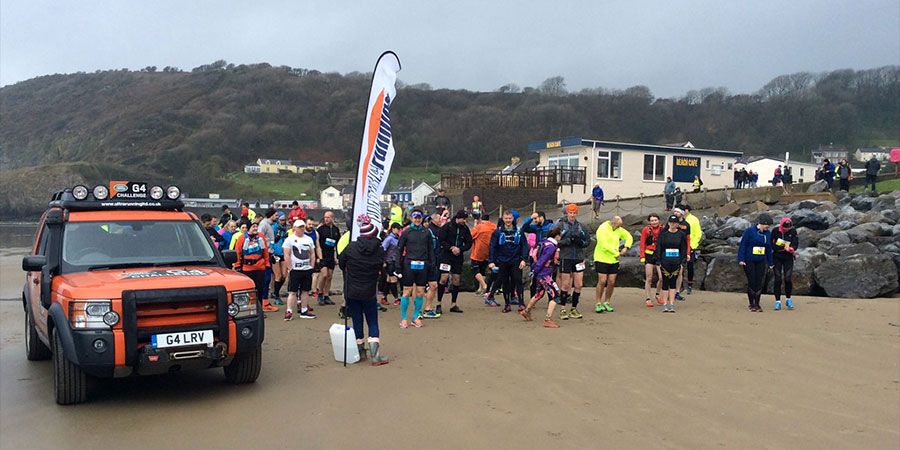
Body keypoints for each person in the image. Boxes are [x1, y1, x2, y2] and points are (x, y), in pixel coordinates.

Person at [339, 216, 388, 365]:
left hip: (352, 289)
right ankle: (376, 355)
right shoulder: (379, 251)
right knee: (372, 321)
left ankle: (361, 352)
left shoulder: (351, 247)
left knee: (357, 320)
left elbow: (341, 263)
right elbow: (381, 267)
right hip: (369, 290)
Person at [394, 209, 433, 328]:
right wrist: (397, 266)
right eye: (415, 217)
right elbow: (399, 249)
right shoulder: (406, 232)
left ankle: (415, 317)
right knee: (407, 292)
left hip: (422, 264)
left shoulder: (426, 232)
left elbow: (431, 249)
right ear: (411, 218)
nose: (417, 220)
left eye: (419, 218)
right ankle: (403, 318)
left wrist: (432, 265)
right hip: (409, 264)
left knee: (421, 292)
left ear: (421, 219)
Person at [553, 203, 589, 320]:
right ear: (567, 213)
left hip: (578, 257)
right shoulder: (560, 224)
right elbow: (554, 240)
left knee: (579, 284)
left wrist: (581, 243)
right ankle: (563, 308)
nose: (572, 215)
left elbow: (587, 241)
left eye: (574, 213)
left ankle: (574, 308)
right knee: (566, 284)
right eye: (570, 213)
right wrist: (567, 241)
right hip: (566, 257)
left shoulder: (581, 226)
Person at [521, 227, 563, 328]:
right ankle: (548, 319)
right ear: (557, 236)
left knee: (539, 294)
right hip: (544, 274)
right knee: (555, 295)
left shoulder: (543, 242)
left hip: (540, 273)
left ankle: (527, 311)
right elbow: (543, 260)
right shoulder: (551, 247)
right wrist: (535, 270)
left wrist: (534, 270)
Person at [489, 211, 529, 313]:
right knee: (505, 282)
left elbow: (524, 245)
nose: (508, 221)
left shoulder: (519, 231)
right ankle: (507, 304)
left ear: (513, 219)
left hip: (516, 260)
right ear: (503, 219)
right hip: (502, 261)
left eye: (509, 218)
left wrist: (524, 259)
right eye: (506, 218)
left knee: (517, 280)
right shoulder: (497, 232)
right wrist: (491, 261)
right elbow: (492, 247)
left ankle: (521, 302)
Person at [593, 216, 633, 313]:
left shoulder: (618, 229)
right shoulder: (602, 229)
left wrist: (626, 247)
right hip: (601, 258)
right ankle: (598, 302)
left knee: (611, 281)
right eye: (618, 226)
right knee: (602, 281)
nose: (619, 228)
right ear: (613, 223)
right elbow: (604, 245)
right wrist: (617, 253)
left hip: (613, 260)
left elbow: (628, 236)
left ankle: (607, 301)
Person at [234, 222, 276, 313]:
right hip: (247, 268)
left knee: (260, 289)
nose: (255, 228)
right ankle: (250, 309)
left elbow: (265, 251)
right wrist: (237, 265)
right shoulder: (242, 238)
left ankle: (259, 309)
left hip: (260, 267)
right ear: (249, 228)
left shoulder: (261, 237)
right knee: (249, 290)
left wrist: (267, 263)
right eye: (253, 226)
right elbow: (238, 252)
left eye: (256, 226)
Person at [738, 213, 775, 312]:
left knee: (759, 282)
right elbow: (743, 245)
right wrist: (741, 259)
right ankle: (751, 303)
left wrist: (771, 262)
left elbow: (768, 248)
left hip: (761, 260)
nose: (768, 227)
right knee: (752, 281)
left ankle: (757, 303)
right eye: (767, 225)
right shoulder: (749, 231)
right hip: (749, 260)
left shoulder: (767, 233)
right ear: (762, 223)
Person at [437, 210, 472, 314]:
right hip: (446, 256)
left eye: (466, 219)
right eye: (463, 219)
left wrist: (460, 249)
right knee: (444, 278)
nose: (465, 221)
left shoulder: (465, 229)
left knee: (456, 280)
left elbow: (469, 242)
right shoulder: (447, 226)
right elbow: (441, 240)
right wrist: (451, 248)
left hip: (458, 257)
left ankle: (454, 304)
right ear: (458, 218)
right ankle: (438, 303)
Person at [282, 220, 317, 320]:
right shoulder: (289, 239)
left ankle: (304, 310)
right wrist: (290, 268)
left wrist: (311, 266)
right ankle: (289, 311)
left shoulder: (309, 239)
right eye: (299, 227)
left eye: (302, 226)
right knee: (293, 291)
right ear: (294, 228)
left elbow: (312, 254)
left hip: (306, 269)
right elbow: (286, 255)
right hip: (295, 269)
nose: (301, 228)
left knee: (305, 291)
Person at [657, 215, 689, 313]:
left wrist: (683, 262)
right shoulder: (663, 234)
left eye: (675, 223)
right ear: (668, 223)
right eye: (671, 222)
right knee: (665, 282)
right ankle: (665, 304)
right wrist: (658, 261)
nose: (673, 224)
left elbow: (683, 249)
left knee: (673, 283)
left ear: (677, 224)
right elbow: (659, 247)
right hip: (665, 260)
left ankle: (671, 304)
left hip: (676, 261)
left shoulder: (681, 234)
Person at [521, 211, 553, 299]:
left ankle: (551, 299)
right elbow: (524, 228)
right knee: (534, 277)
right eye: (533, 219)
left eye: (536, 218)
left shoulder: (551, 226)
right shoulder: (536, 227)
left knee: (548, 278)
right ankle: (533, 297)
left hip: (548, 255)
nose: (534, 220)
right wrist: (530, 219)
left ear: (542, 217)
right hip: (537, 254)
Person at [771, 217, 798, 311]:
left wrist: (791, 248)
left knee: (788, 278)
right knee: (778, 278)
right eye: (785, 228)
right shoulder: (775, 231)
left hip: (788, 257)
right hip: (777, 257)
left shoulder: (793, 231)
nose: (787, 230)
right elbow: (772, 244)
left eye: (788, 228)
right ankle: (777, 301)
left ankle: (788, 299)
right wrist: (783, 246)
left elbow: (795, 244)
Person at [316, 211, 341, 306]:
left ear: (332, 218)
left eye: (328, 217)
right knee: (324, 275)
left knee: (330, 276)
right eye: (325, 217)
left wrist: (337, 257)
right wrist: (318, 257)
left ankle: (326, 295)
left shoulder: (335, 229)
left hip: (331, 255)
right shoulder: (320, 230)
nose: (326, 219)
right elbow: (316, 244)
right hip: (322, 255)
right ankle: (320, 293)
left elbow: (338, 244)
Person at [422, 213, 444, 317]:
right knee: (418, 288)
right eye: (425, 222)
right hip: (422, 262)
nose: (427, 223)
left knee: (434, 285)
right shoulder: (425, 232)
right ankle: (417, 312)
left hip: (433, 261)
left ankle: (428, 309)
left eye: (428, 221)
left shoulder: (435, 231)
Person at [470, 212, 497, 298]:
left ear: (481, 219)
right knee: (483, 270)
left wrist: (475, 225)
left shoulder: (479, 227)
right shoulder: (494, 227)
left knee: (475, 270)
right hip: (489, 252)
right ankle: (480, 289)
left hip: (478, 252)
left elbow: (471, 235)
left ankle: (484, 286)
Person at [639, 213, 664, 307]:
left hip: (659, 255)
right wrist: (642, 257)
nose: (654, 222)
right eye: (652, 220)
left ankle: (657, 294)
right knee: (649, 278)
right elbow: (642, 243)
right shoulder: (646, 230)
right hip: (649, 254)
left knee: (661, 278)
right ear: (649, 222)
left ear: (659, 220)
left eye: (655, 220)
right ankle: (648, 298)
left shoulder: (663, 228)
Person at [671, 207, 693, 301]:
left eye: (678, 211)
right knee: (669, 270)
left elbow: (688, 239)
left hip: (681, 251)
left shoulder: (686, 225)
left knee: (680, 271)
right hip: (670, 249)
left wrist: (688, 252)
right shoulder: (670, 222)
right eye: (675, 211)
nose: (675, 213)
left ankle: (677, 291)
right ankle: (670, 290)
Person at [680, 204, 702, 295]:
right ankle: (680, 285)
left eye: (683, 210)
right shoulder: (678, 220)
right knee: (680, 267)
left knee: (690, 266)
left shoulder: (694, 220)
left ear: (687, 211)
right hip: (680, 246)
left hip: (691, 245)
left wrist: (693, 245)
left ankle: (689, 285)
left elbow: (698, 233)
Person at [257, 208, 278, 308]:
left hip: (269, 253)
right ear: (272, 215)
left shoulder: (269, 225)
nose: (277, 217)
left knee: (268, 278)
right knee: (265, 278)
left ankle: (265, 301)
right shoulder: (264, 224)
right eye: (276, 215)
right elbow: (259, 237)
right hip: (265, 255)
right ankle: (263, 302)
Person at [380, 223, 402, 306]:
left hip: (394, 261)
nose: (399, 230)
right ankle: (396, 298)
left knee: (389, 279)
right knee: (393, 279)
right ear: (393, 229)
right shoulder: (389, 239)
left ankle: (384, 297)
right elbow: (383, 249)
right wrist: (383, 261)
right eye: (397, 229)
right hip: (390, 261)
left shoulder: (396, 238)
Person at [270, 213, 289, 305]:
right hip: (275, 253)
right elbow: (270, 240)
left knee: (284, 275)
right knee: (278, 276)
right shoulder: (274, 228)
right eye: (281, 220)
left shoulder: (285, 229)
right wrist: (272, 252)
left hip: (284, 253)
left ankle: (276, 291)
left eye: (284, 220)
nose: (283, 222)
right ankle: (276, 296)